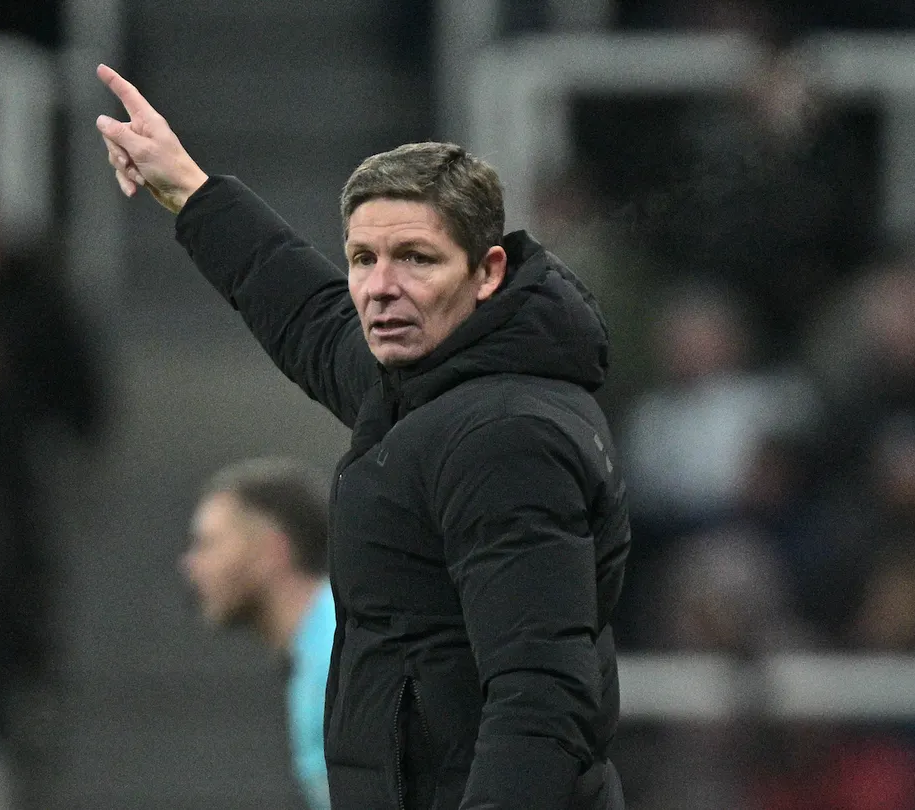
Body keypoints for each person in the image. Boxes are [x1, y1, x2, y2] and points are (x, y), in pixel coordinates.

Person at [95, 63, 629, 810]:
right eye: (362, 259)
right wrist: (188, 188)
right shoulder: (424, 388)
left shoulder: (505, 438)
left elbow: (542, 694)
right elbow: (310, 316)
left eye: (416, 259)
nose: (381, 287)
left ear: (487, 272)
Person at [182, 458, 335, 810]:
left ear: (272, 552)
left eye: (209, 543)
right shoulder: (322, 652)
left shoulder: (337, 660)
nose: (191, 564)